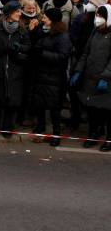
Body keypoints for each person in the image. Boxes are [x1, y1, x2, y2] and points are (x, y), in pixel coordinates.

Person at [0, 1, 32, 138]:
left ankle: (8, 128)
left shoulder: (22, 30)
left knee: (12, 99)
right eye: (17, 11)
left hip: (15, 68)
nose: (19, 13)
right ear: (9, 13)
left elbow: (28, 47)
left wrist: (19, 48)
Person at [29, 8, 71, 146]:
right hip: (41, 75)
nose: (43, 19)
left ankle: (56, 133)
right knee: (40, 104)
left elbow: (62, 57)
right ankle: (40, 127)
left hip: (55, 78)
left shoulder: (63, 36)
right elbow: (36, 45)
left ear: (53, 20)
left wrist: (42, 53)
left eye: (46, 18)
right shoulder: (43, 31)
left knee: (54, 108)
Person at [72, 4, 111, 150]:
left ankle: (109, 139)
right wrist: (78, 70)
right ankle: (93, 134)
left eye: (101, 16)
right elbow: (86, 53)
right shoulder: (95, 31)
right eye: (97, 15)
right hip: (91, 77)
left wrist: (106, 77)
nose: (98, 18)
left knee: (107, 111)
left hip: (106, 81)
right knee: (93, 110)